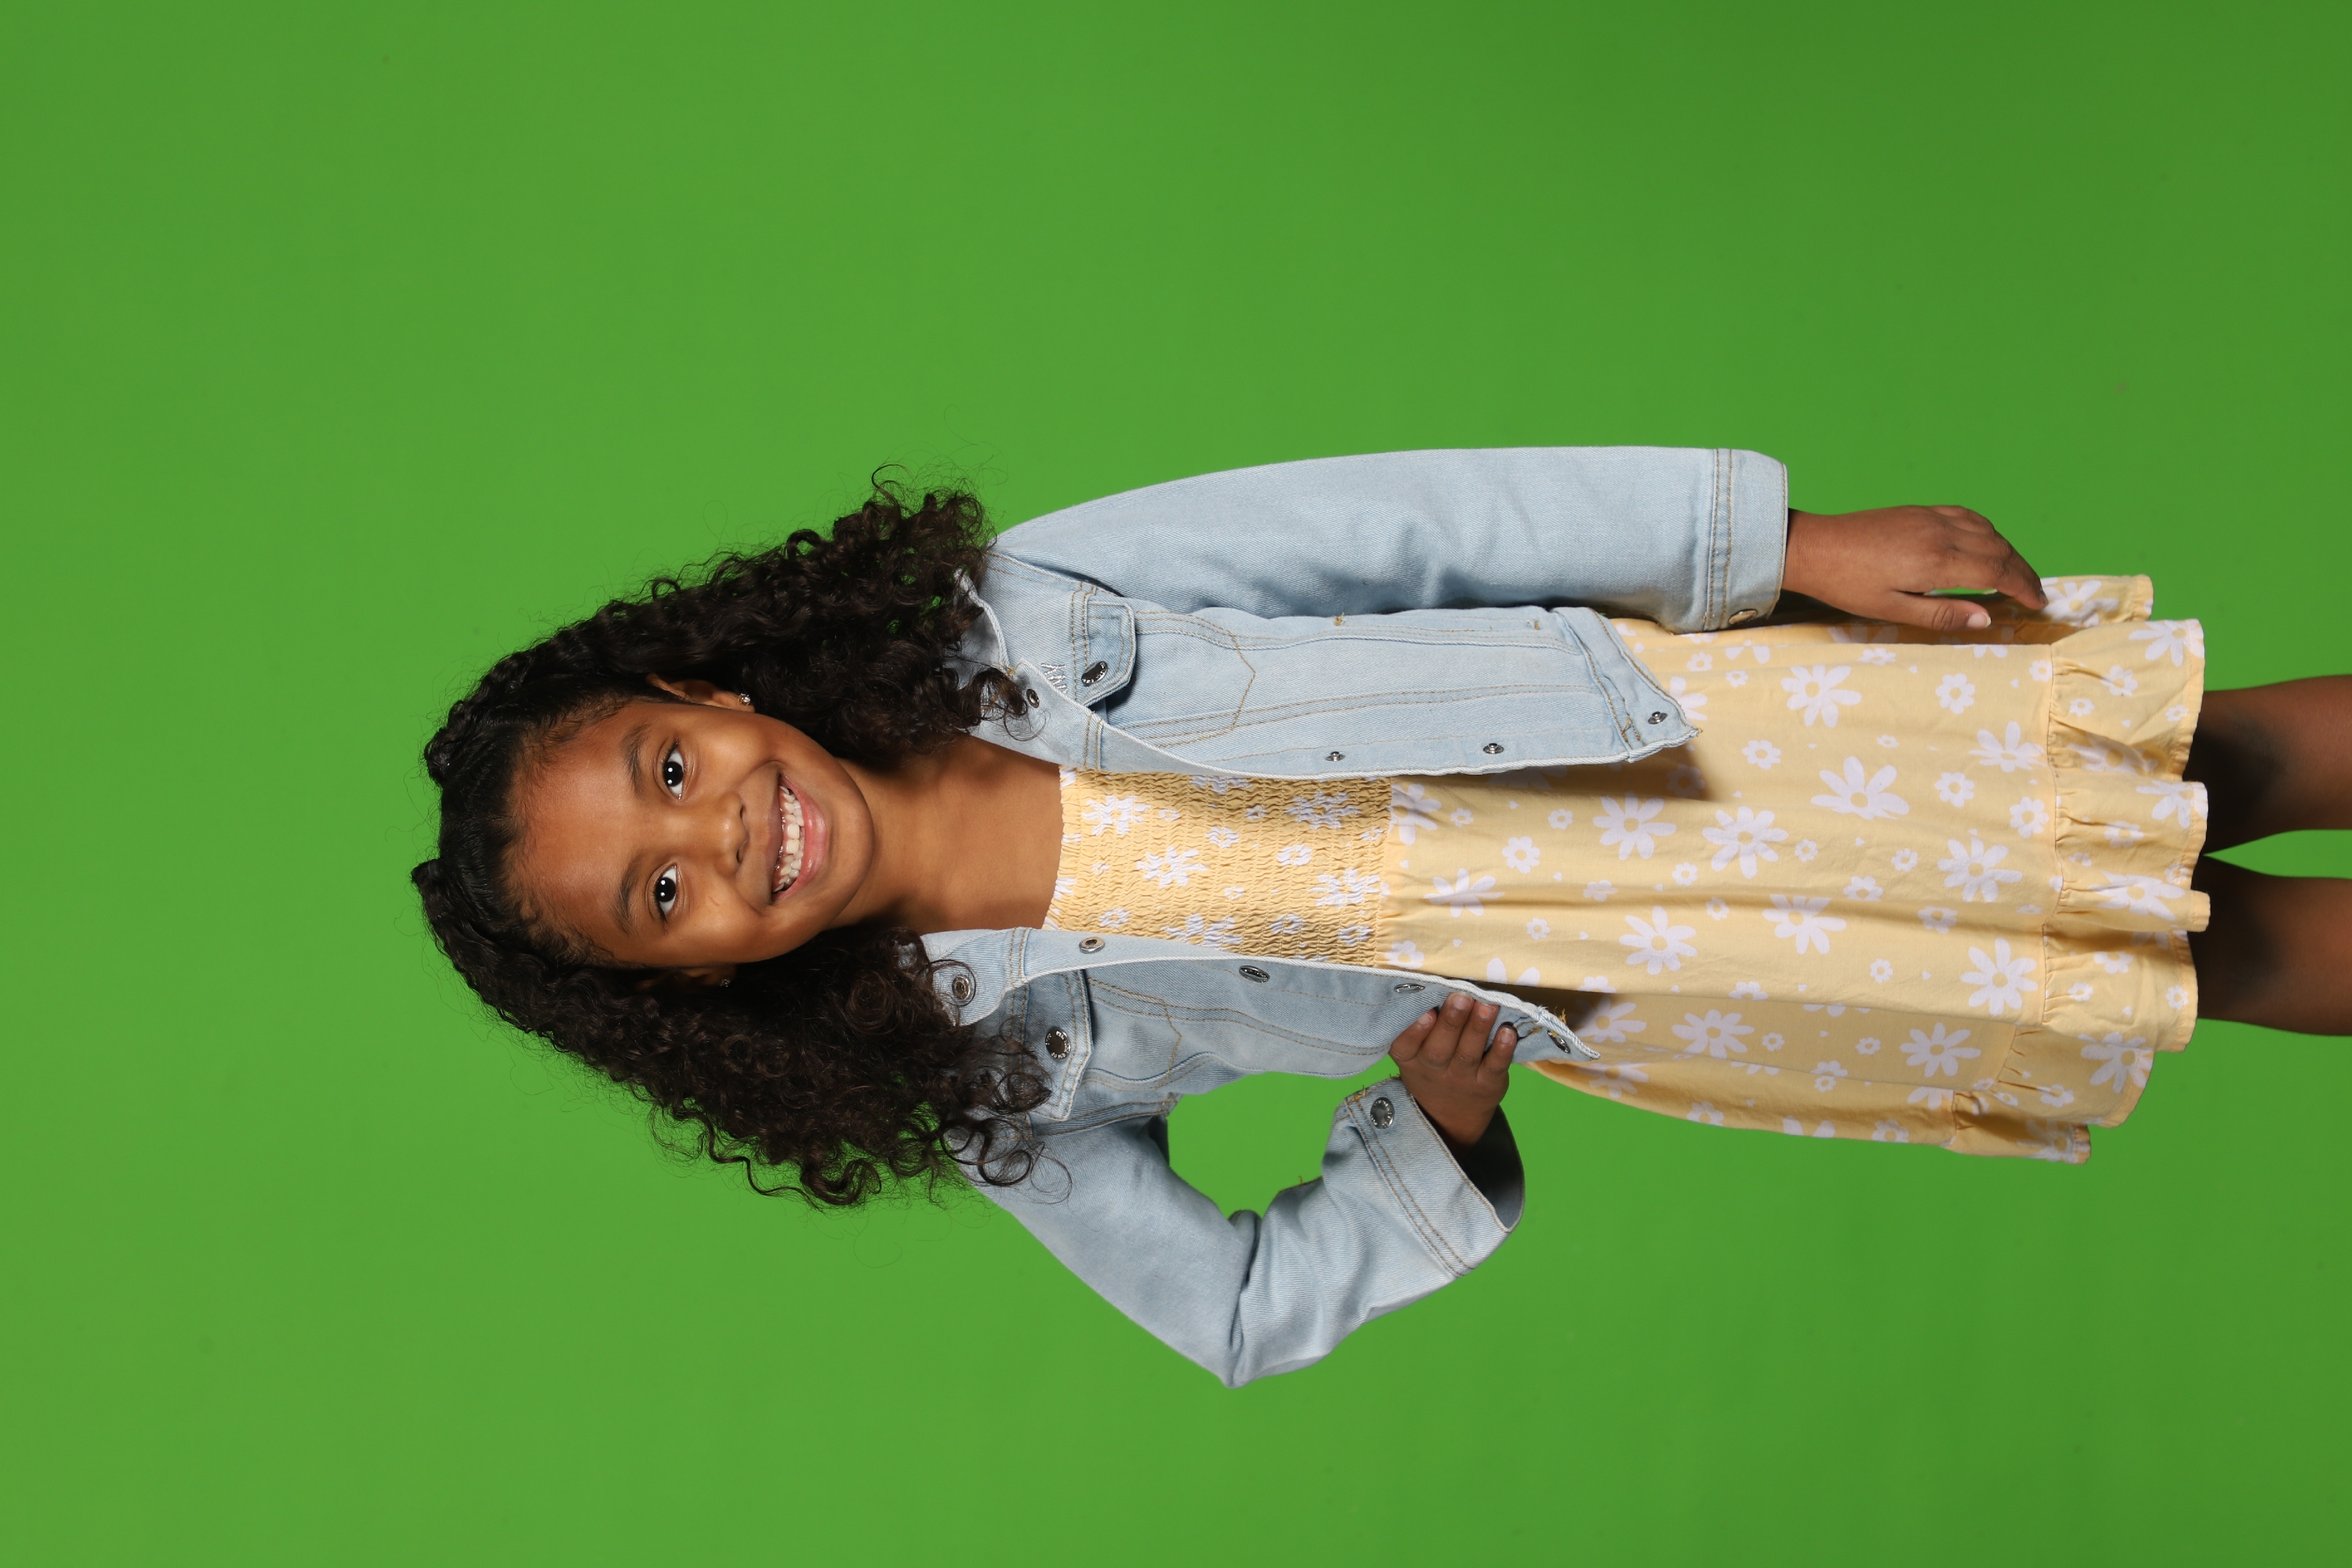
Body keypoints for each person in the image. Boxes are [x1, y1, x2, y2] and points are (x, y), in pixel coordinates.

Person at [414, 447, 2350, 1386]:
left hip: (1685, 739)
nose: (725, 835)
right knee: (2210, 961)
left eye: (671, 767)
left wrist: (1780, 547)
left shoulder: (1030, 609)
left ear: (710, 693)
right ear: (694, 985)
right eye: (660, 896)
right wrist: (1424, 1136)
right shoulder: (976, 1075)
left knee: (2211, 761)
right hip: (1661, 980)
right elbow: (1233, 1310)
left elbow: (1420, 521)